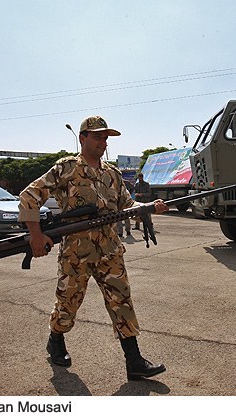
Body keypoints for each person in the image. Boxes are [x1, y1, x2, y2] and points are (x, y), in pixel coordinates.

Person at [18, 115, 168, 380]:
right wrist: (36, 235)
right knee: (68, 303)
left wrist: (147, 208)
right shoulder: (67, 168)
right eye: (97, 136)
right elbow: (30, 195)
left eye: (105, 137)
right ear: (83, 138)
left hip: (110, 250)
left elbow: (125, 206)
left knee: (122, 301)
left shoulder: (112, 173)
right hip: (76, 252)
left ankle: (134, 361)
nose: (103, 141)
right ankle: (56, 341)